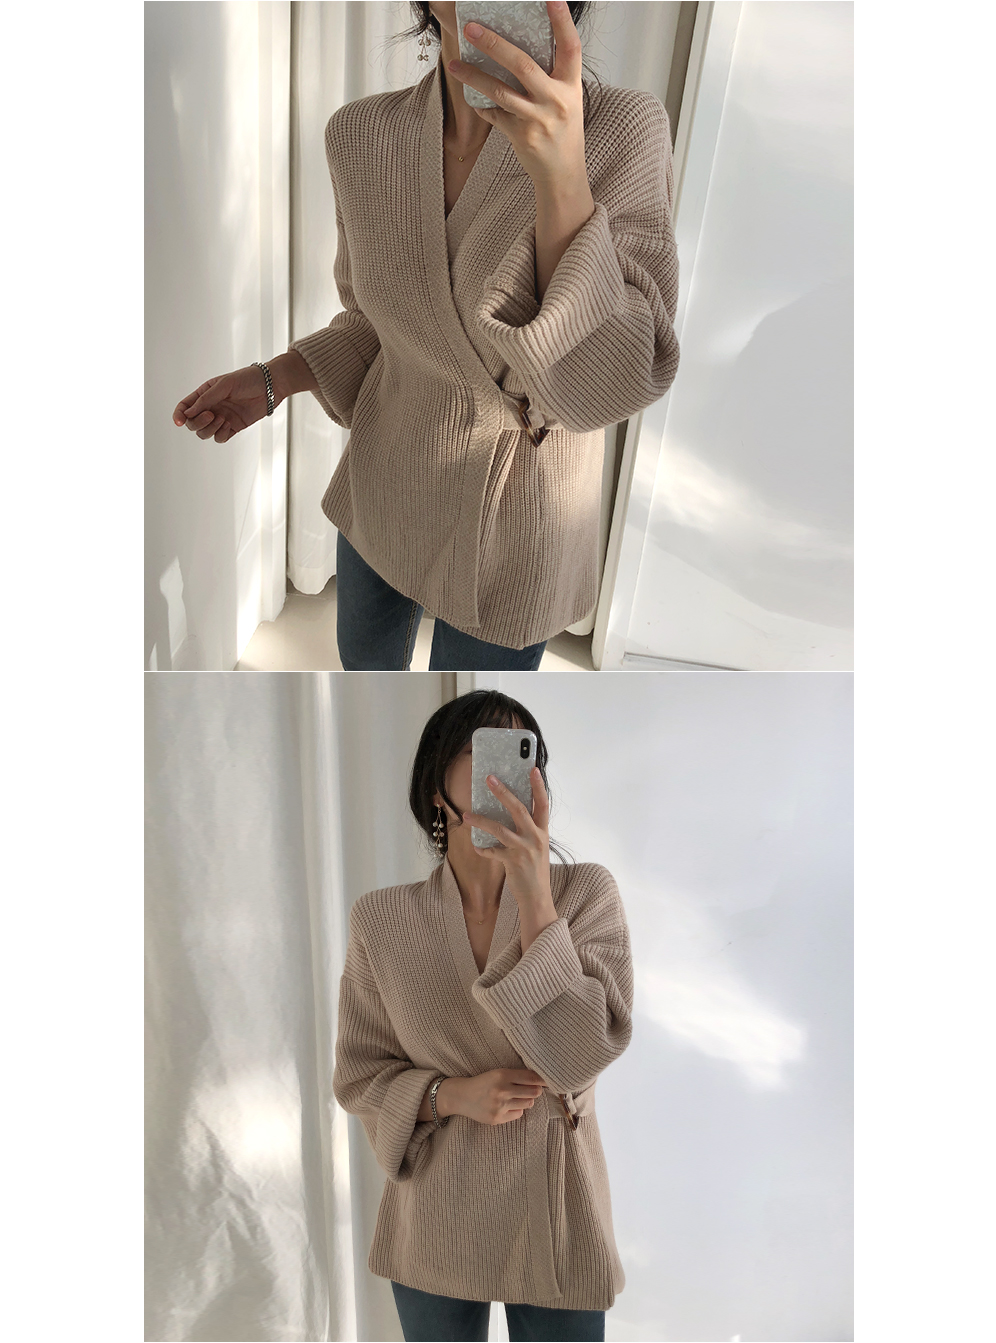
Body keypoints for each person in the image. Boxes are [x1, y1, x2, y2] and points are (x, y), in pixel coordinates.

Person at [173, 2, 679, 670]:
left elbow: (620, 374)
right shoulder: (361, 136)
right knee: (364, 670)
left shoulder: (622, 130)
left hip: (519, 514)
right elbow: (379, 326)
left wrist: (562, 180)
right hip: (389, 477)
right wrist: (274, 379)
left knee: (472, 708)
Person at [333, 689, 633, 1341]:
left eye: (524, 751)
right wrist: (450, 1095)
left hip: (556, 1211)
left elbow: (581, 1056)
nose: (509, 767)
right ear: (436, 785)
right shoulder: (381, 920)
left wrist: (535, 896)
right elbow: (360, 1074)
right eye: (483, 747)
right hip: (436, 1213)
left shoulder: (586, 894)